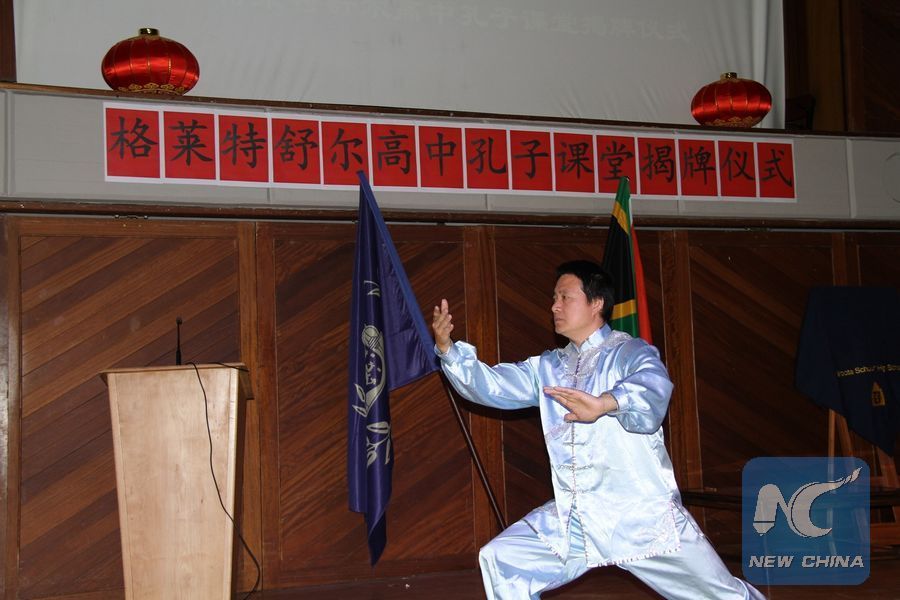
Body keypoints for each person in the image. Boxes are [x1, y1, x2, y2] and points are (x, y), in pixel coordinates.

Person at [431, 260, 764, 600]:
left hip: (639, 515)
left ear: (597, 303)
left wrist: (605, 403)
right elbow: (491, 385)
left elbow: (652, 385)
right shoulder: (548, 367)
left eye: (565, 297)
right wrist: (448, 351)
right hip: (576, 517)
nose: (554, 306)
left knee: (723, 596)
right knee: (503, 559)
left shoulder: (629, 351)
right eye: (554, 298)